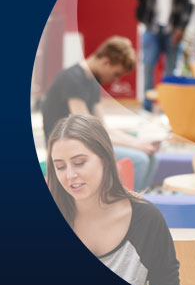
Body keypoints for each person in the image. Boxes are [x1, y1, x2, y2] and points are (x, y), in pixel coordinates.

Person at [45, 114, 181, 285]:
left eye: (79, 163)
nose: (70, 175)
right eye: (60, 166)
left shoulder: (145, 219)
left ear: (105, 159)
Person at [41, 36, 160, 192]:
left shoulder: (92, 82)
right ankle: (128, 203)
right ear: (105, 62)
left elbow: (102, 127)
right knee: (139, 160)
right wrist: (136, 145)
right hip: (67, 148)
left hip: (84, 144)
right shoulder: (71, 79)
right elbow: (89, 132)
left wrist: (140, 143)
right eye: (116, 74)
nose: (115, 79)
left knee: (152, 157)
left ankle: (140, 198)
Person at [133, 0, 195, 112]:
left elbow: (190, 2)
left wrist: (181, 28)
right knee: (148, 66)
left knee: (171, 71)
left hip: (173, 28)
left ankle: (168, 109)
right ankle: (147, 108)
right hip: (152, 26)